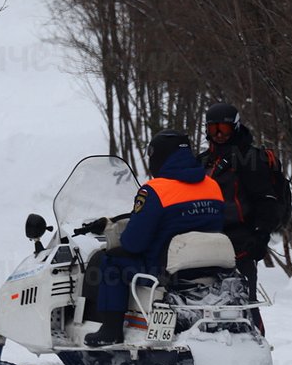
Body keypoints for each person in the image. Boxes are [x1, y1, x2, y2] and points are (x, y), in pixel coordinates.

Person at [84, 130, 224, 347]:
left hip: (162, 270)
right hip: (208, 268)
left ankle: (111, 330)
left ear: (159, 157)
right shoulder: (212, 186)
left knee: (110, 261)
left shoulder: (155, 190)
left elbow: (134, 242)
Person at [197, 102, 291, 333]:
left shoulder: (250, 159)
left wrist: (260, 236)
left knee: (243, 301)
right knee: (205, 301)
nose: (218, 135)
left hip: (241, 241)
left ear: (236, 128)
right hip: (203, 241)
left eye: (224, 129)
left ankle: (255, 346)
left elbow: (266, 201)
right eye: (213, 129)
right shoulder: (202, 162)